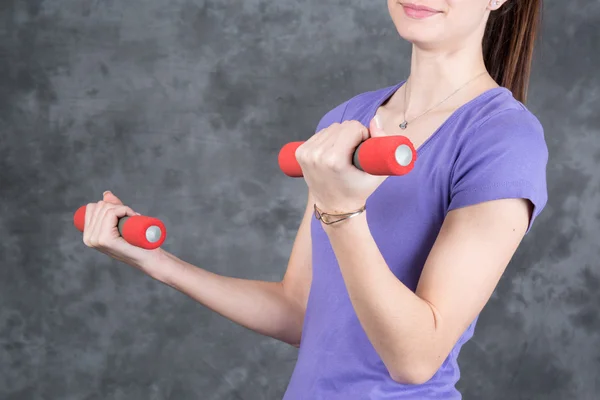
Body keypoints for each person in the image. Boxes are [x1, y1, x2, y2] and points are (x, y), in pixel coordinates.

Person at [81, 0, 548, 398]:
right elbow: (299, 309)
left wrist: (342, 211)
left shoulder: (504, 139)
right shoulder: (349, 118)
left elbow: (416, 358)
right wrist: (158, 263)